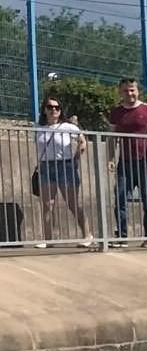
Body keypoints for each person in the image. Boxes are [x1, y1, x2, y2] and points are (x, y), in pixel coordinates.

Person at [108, 78, 147, 245]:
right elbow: (111, 138)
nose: (129, 93)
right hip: (124, 163)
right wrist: (110, 158)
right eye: (125, 90)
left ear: (137, 91)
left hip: (145, 163)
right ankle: (122, 237)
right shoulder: (116, 112)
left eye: (132, 90)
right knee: (120, 199)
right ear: (120, 91)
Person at [33, 97, 87, 246]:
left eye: (57, 108)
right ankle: (49, 240)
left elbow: (82, 141)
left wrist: (76, 156)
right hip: (45, 166)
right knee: (47, 205)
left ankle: (87, 235)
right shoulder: (38, 127)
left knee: (73, 203)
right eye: (50, 107)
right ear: (44, 109)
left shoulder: (68, 127)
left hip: (66, 166)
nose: (54, 110)